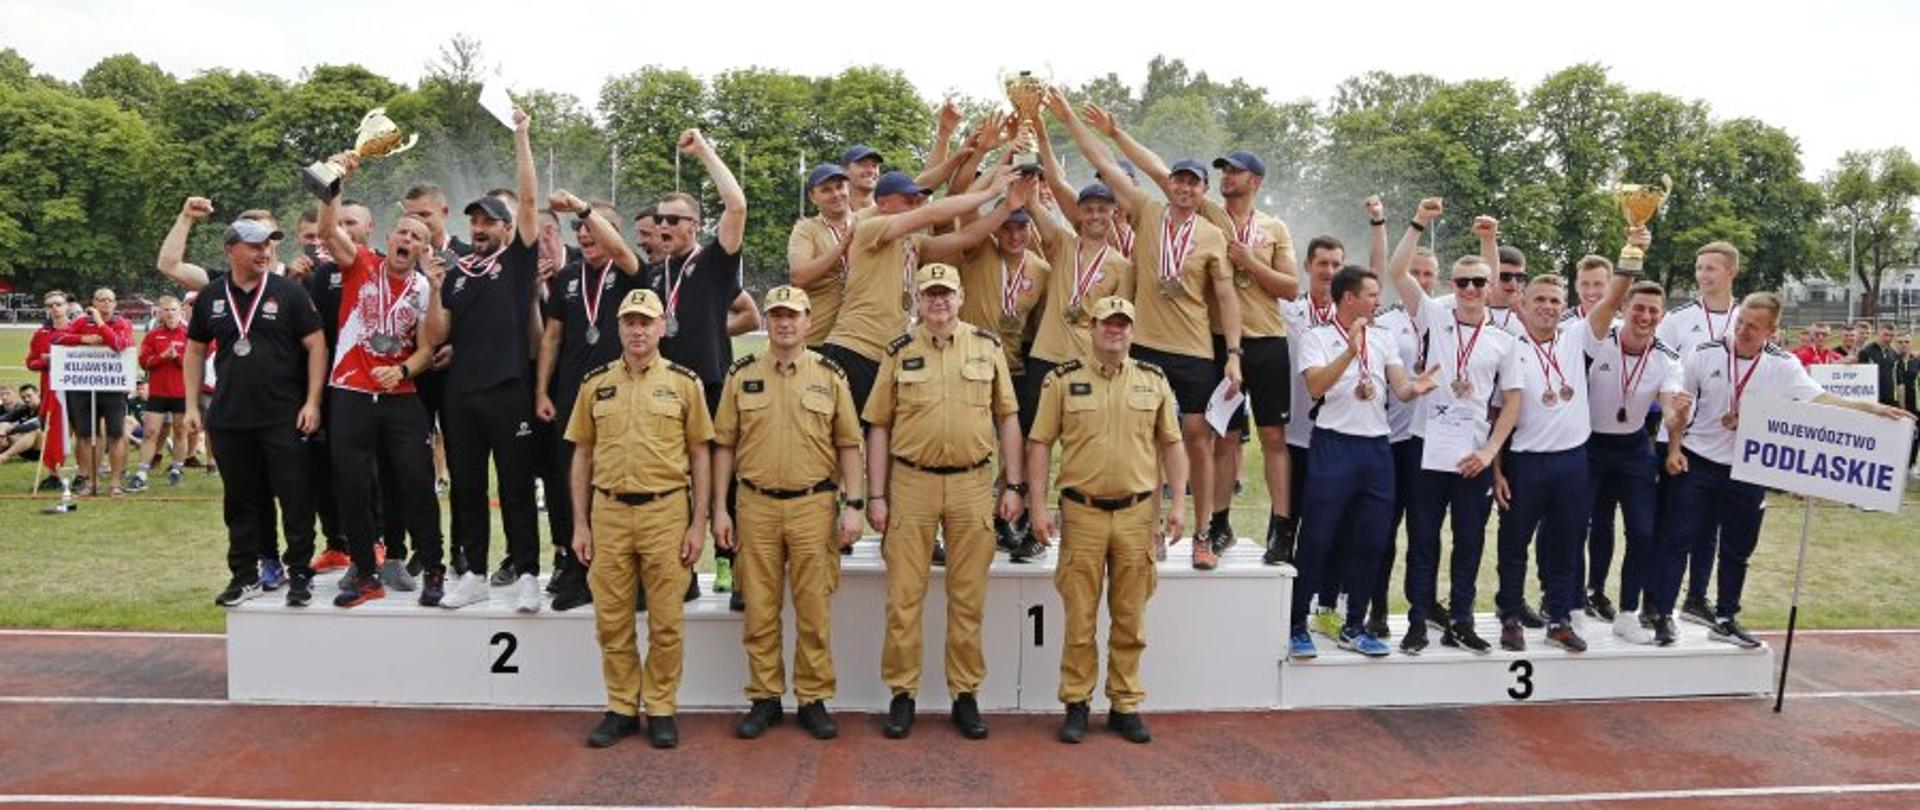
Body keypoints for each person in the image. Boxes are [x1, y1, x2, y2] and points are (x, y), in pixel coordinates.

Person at [1050, 90, 1243, 571]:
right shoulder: (1146, 211)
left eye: (1192, 183)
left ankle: (1201, 535)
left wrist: (1234, 353)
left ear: (1202, 191)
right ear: (1168, 185)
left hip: (1195, 351)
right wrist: (1075, 120)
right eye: (1177, 180)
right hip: (1148, 346)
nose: (1182, 188)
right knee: (1150, 439)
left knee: (1198, 439)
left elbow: (1225, 297)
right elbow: (1104, 162)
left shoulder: (1213, 235)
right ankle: (1154, 530)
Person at [1653, 294, 1914, 647]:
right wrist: (1674, 448)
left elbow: (1821, 399)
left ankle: (1727, 618)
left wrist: (1872, 409)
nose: (1742, 331)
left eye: (1753, 327)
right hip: (1698, 460)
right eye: (1740, 322)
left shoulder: (1783, 364)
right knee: (1678, 539)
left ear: (1772, 331)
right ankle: (1664, 616)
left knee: (1738, 548)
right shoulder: (1704, 352)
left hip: (1748, 466)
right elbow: (1679, 407)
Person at [864, 263, 1026, 741]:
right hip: (911, 483)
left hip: (973, 483)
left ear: (960, 298)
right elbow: (879, 425)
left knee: (968, 597)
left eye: (946, 294)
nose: (938, 302)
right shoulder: (898, 352)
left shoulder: (987, 347)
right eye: (930, 294)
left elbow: (1008, 418)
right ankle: (902, 694)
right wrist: (877, 494)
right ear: (918, 299)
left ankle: (965, 695)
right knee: (904, 598)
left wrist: (1012, 484)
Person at [1025, 295, 1185, 744]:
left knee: (1130, 616)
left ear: (1132, 331)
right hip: (1083, 514)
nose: (1114, 331)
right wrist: (1038, 506)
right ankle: (1076, 703)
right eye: (1106, 324)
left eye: (1122, 324)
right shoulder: (1062, 381)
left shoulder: (1154, 381)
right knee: (1079, 616)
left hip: (1137, 515)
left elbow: (1172, 444)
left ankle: (1124, 704)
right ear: (1090, 329)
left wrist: (1177, 505)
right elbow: (1039, 444)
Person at [710, 286, 864, 741]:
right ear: (768, 322)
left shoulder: (829, 375)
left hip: (814, 506)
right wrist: (720, 508)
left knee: (814, 608)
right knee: (759, 607)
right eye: (776, 315)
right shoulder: (742, 375)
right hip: (755, 506)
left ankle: (813, 699)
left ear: (808, 321)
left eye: (792, 316)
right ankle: (765, 697)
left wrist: (853, 507)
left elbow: (848, 446)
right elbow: (724, 447)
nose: (783, 323)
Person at [568, 288, 713, 750]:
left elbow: (700, 455)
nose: (637, 330)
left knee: (667, 621)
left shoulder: (684, 383)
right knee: (612, 619)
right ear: (618, 327)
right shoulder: (595, 384)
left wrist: (698, 523)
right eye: (629, 322)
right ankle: (622, 706)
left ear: (661, 327)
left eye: (645, 322)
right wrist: (580, 523)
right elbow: (582, 456)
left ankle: (663, 707)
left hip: (666, 512)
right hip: (608, 512)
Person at [1380, 199, 1521, 655]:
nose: (1471, 289)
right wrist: (1419, 222)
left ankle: (1460, 618)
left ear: (1489, 286)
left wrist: (1489, 452)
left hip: (1472, 455)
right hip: (1427, 446)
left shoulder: (1502, 339)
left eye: (1479, 282)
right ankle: (1418, 621)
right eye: (1462, 282)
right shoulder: (1435, 316)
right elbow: (1397, 271)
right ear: (1451, 285)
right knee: (1422, 540)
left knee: (1469, 542)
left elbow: (1512, 404)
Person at [1490, 222, 1634, 654]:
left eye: (1555, 301)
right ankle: (1511, 614)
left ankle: (1559, 618)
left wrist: (1631, 254)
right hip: (1525, 460)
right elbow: (1496, 412)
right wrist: (1497, 470)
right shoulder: (1508, 347)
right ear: (1523, 304)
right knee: (1514, 544)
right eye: (1540, 300)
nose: (1548, 307)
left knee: (1566, 543)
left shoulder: (1576, 338)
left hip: (1572, 461)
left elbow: (1611, 299)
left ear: (1564, 306)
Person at [1288, 264, 1438, 660]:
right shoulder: (1316, 337)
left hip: (1376, 449)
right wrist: (1349, 352)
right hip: (1333, 445)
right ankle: (1297, 623)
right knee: (1318, 537)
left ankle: (1355, 625)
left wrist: (1415, 388)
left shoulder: (1384, 336)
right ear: (1349, 298)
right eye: (1371, 294)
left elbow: (1399, 387)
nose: (1378, 301)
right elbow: (1316, 386)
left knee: (1372, 539)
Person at [314, 170, 450, 608]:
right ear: (389, 237)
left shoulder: (425, 287)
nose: (406, 239)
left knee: (417, 484)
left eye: (417, 236)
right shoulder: (361, 264)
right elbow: (326, 230)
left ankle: (432, 567)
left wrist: (405, 370)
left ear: (424, 248)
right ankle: (366, 573)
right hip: (350, 392)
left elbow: (431, 346)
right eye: (403, 231)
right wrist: (331, 185)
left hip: (401, 398)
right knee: (351, 487)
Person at [180, 213, 328, 608]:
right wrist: (192, 404)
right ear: (232, 251)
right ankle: (245, 573)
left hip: (283, 414)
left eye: (268, 245)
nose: (265, 252)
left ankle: (299, 572)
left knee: (295, 497)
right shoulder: (212, 296)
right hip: (229, 418)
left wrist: (312, 402)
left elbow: (317, 345)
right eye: (255, 246)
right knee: (241, 501)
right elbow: (194, 350)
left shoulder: (289, 292)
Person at [642, 129, 757, 609]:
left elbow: (737, 206)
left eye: (674, 219)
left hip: (709, 385)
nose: (663, 226)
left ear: (695, 225)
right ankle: (681, 571)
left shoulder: (711, 262)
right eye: (659, 219)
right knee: (673, 482)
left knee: (724, 478)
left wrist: (704, 150)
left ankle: (732, 564)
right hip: (662, 391)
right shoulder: (653, 273)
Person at [436, 107, 544, 611]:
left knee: (517, 486)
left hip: (508, 389)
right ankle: (474, 571)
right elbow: (440, 334)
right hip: (461, 395)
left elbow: (527, 198)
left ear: (507, 227)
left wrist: (521, 135)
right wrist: (435, 289)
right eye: (474, 220)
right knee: (467, 488)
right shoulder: (456, 273)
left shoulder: (518, 261)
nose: (479, 227)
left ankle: (526, 573)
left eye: (489, 221)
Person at [818, 169, 1023, 416]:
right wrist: (991, 192)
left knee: (880, 437)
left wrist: (1006, 208)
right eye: (908, 200)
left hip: (886, 353)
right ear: (882, 203)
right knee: (844, 440)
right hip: (855, 349)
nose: (915, 205)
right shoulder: (870, 229)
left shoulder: (912, 243)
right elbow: (932, 213)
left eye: (917, 200)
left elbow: (965, 237)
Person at [536, 192, 645, 611]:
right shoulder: (567, 278)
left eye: (592, 226)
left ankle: (626, 572)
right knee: (570, 485)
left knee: (619, 483)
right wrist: (542, 390)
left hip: (621, 399)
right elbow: (552, 337)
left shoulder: (630, 269)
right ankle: (577, 569)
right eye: (580, 228)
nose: (583, 233)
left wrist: (583, 207)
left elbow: (619, 249)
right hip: (571, 398)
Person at [1654, 242, 1743, 628]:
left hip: (1728, 442)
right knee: (1671, 527)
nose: (1703, 275)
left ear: (1731, 273)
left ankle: (1697, 598)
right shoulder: (1679, 319)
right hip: (1678, 436)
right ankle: (1656, 604)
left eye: (1712, 268)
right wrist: (1674, 403)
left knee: (1711, 529)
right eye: (1699, 267)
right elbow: (1660, 361)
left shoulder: (1746, 318)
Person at [55, 288, 134, 496]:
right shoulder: (81, 323)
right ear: (93, 302)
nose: (106, 304)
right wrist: (82, 339)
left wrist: (100, 323)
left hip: (114, 387)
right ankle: (91, 481)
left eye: (110, 300)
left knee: (115, 434)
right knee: (87, 435)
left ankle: (115, 483)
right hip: (84, 386)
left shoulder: (122, 323)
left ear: (115, 304)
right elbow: (58, 339)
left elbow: (119, 344)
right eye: (101, 300)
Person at [787, 165, 855, 349]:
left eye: (840, 187)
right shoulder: (806, 229)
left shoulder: (865, 223)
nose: (836, 194)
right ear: (812, 197)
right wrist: (842, 245)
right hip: (818, 339)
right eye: (826, 190)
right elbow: (799, 276)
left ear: (848, 188)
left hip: (858, 340)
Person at [1858, 321, 1901, 408]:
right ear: (1878, 333)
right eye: (1885, 335)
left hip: (1890, 398)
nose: (1888, 338)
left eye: (1891, 335)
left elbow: (1897, 378)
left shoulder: (1894, 353)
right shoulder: (1866, 351)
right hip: (1873, 398)